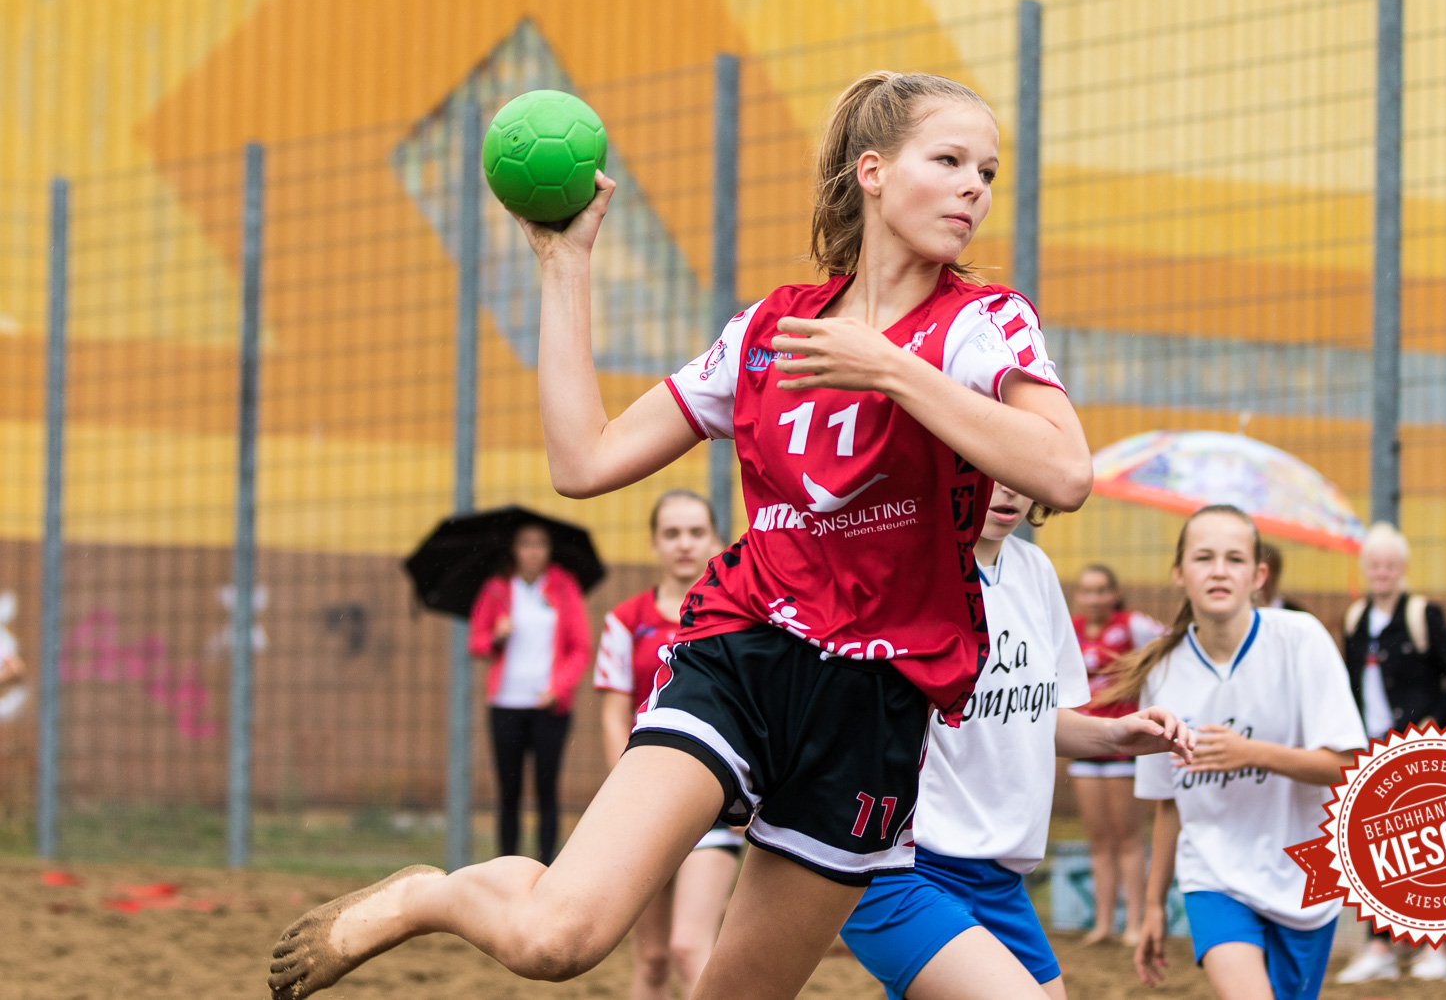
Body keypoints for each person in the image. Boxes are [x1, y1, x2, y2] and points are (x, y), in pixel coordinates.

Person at [267, 69, 1094, 1000]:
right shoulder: (767, 332)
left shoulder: (986, 325)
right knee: (557, 940)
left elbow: (1065, 470)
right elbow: (584, 460)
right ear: (872, 171)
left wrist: (895, 371)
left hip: (873, 711)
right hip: (745, 655)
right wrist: (565, 263)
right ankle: (434, 894)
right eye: (948, 160)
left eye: (986, 169)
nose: (975, 186)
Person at [840, 483, 1193, 1000]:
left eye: (1021, 472)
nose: (1009, 488)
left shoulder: (1035, 571)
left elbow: (1036, 719)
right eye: (990, 468)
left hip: (1000, 879)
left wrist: (1116, 733)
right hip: (905, 864)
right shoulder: (906, 569)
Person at [1114, 505, 1366, 1000]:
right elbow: (1169, 804)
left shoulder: (1302, 640)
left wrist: (1251, 752)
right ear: (1179, 572)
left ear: (1259, 575)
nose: (1219, 570)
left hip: (1305, 877)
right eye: (1203, 557)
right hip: (1213, 875)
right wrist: (1153, 907)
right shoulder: (1163, 673)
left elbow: (1347, 770)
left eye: (1234, 558)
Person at [595, 489, 741, 999]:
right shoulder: (624, 621)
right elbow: (614, 714)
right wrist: (626, 797)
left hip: (713, 806)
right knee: (652, 959)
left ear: (717, 540)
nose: (684, 544)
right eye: (672, 533)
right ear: (654, 543)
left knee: (687, 946)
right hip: (642, 809)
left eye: (697, 532)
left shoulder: (738, 620)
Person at [1334, 521, 1446, 984]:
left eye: (1390, 564)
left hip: (1419, 748)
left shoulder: (1422, 614)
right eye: (1374, 564)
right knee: (1372, 848)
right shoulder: (1354, 620)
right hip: (1368, 748)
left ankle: (1438, 944)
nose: (1382, 571)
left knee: (1430, 848)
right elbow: (1349, 685)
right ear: (1364, 568)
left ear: (1403, 568)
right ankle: (1380, 946)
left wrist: (1431, 719)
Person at [467, 521, 593, 864]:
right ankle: (505, 866)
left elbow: (580, 648)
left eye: (540, 544)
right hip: (506, 703)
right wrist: (497, 636)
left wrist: (559, 687)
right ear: (514, 549)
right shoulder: (496, 590)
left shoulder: (565, 588)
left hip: (549, 705)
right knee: (509, 792)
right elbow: (476, 643)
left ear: (550, 550)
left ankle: (545, 865)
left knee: (546, 789)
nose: (533, 551)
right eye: (525, 543)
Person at [1069, 564, 1164, 946]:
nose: (1094, 599)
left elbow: (1170, 643)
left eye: (1101, 590)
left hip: (1123, 746)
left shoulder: (1133, 626)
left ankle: (1135, 925)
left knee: (1128, 838)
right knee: (1099, 839)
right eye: (1087, 591)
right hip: (1083, 744)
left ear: (1114, 593)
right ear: (1079, 596)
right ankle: (1103, 923)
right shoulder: (1069, 629)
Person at [1255, 543, 1304, 612]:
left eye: (1266, 570)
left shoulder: (1294, 613)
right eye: (1256, 569)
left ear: (1276, 573)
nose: (1259, 576)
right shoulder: (1240, 612)